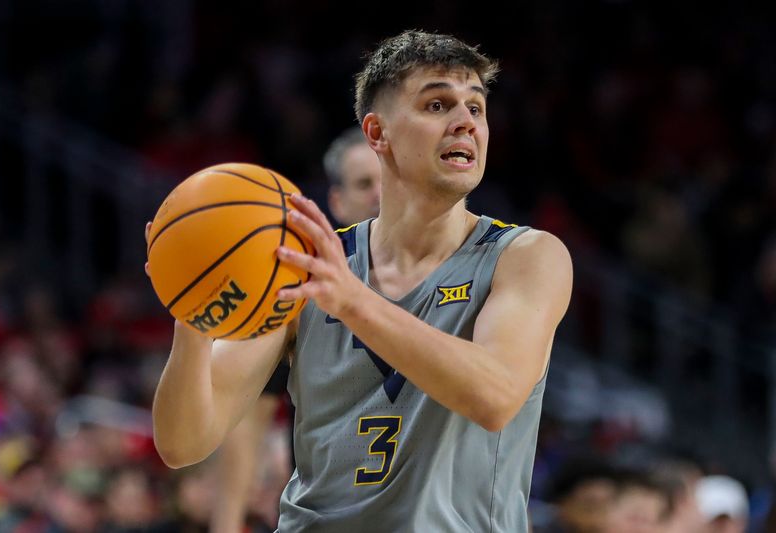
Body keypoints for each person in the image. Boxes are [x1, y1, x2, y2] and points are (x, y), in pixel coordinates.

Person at [148, 29, 572, 532]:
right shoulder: (307, 267)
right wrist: (192, 311)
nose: (465, 123)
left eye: (476, 108)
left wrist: (353, 302)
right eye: (437, 105)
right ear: (377, 134)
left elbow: (496, 396)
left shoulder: (525, 256)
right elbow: (183, 443)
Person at [209, 127, 380, 533]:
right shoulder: (298, 290)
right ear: (335, 202)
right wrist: (227, 523)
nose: (380, 194)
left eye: (389, 181)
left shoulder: (451, 281)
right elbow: (250, 418)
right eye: (364, 184)